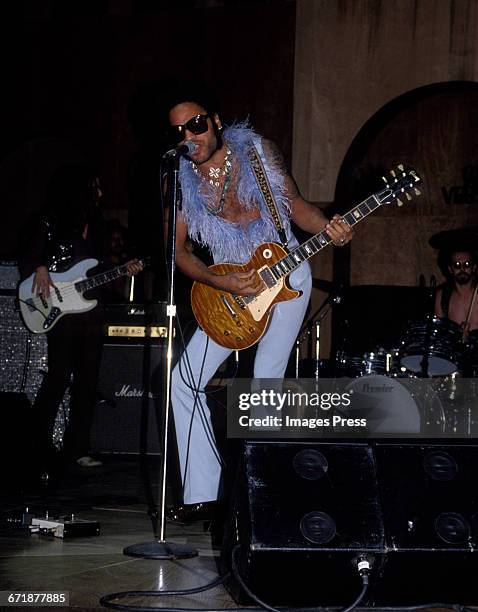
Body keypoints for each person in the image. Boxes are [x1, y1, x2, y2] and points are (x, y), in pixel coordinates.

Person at [161, 83, 353, 522]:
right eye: (179, 131)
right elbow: (178, 252)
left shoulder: (257, 154)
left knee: (264, 382)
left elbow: (297, 206)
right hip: (229, 286)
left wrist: (330, 226)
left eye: (196, 124)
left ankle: (261, 495)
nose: (190, 136)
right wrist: (219, 281)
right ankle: (204, 495)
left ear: (214, 122)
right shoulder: (179, 180)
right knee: (182, 380)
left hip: (285, 274)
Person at [19, 163, 143, 474]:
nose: (100, 193)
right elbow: (29, 253)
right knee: (59, 376)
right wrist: (40, 267)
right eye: (94, 186)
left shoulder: (99, 226)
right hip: (60, 312)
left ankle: (77, 449)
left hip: (91, 311)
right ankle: (36, 445)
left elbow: (98, 271)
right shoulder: (49, 221)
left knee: (87, 381)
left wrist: (122, 270)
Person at [435, 248, 478, 334]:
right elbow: (438, 333)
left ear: (473, 267)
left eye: (467, 264)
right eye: (457, 265)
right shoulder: (442, 296)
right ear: (450, 269)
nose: (462, 269)